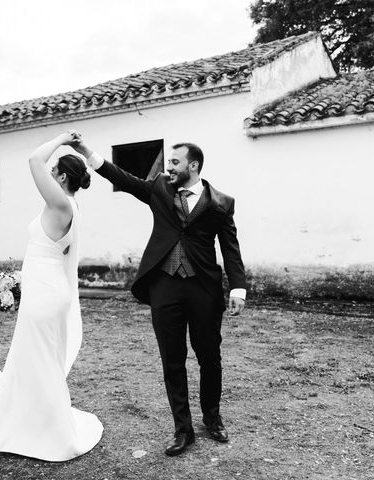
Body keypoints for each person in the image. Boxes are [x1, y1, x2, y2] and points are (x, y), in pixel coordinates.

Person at [71, 134, 246, 456]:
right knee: (172, 360)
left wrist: (237, 288)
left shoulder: (222, 203)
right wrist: (84, 151)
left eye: (175, 162)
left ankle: (212, 417)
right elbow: (120, 177)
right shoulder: (159, 190)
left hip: (204, 289)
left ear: (193, 166)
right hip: (164, 287)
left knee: (210, 358)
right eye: (168, 162)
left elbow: (230, 249)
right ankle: (183, 429)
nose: (169, 167)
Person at [0, 132, 103, 462]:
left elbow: (34, 160)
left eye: (54, 172)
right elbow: (46, 255)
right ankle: (21, 427)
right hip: (44, 289)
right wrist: (19, 280)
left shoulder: (61, 203)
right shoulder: (66, 206)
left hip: (47, 295)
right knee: (31, 361)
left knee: (38, 363)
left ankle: (52, 435)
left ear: (62, 176)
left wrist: (64, 139)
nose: (47, 174)